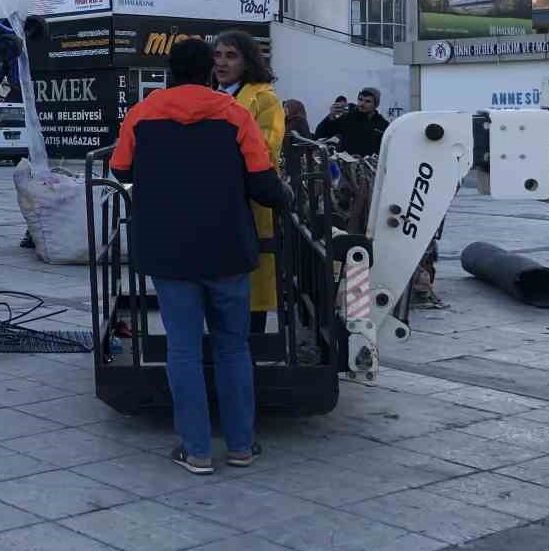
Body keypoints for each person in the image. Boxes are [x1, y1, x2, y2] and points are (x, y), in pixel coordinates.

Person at [109, 37, 289, 475]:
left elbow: (119, 169)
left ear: (170, 70)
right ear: (208, 69)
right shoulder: (235, 114)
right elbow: (263, 181)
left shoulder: (142, 112)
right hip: (228, 249)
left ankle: (196, 450)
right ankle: (242, 446)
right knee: (232, 348)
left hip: (169, 253)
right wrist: (286, 200)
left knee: (184, 349)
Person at [213, 31, 285, 330]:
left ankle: (250, 351)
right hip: (218, 199)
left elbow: (267, 149)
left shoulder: (264, 99)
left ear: (248, 60)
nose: (221, 62)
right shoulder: (214, 93)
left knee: (252, 284)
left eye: (231, 56)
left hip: (250, 199)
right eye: (217, 55)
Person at [316, 86, 389, 157]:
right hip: (345, 166)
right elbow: (320, 134)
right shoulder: (347, 117)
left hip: (369, 167)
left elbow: (386, 151)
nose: (362, 104)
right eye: (360, 99)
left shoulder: (382, 124)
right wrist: (330, 117)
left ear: (376, 105)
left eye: (367, 101)